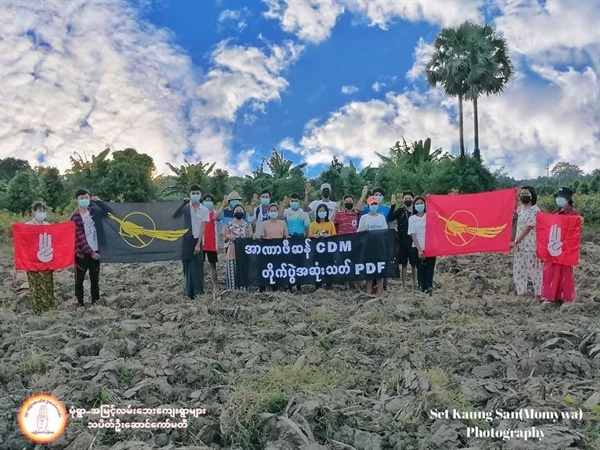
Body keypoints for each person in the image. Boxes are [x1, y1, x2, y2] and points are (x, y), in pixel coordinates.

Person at [70, 189, 111, 307]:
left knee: (95, 280)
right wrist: (91, 252)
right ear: (77, 200)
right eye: (81, 198)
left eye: (86, 197)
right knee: (79, 280)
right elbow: (80, 238)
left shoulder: (94, 212)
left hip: (96, 249)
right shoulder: (75, 217)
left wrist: (99, 202)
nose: (84, 200)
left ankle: (95, 302)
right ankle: (80, 303)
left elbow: (109, 212)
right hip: (81, 254)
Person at [541, 187, 580, 304]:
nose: (558, 199)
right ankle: (551, 297)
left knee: (565, 273)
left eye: (561, 196)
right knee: (550, 272)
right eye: (557, 196)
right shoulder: (554, 213)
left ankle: (567, 298)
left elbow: (575, 233)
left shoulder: (573, 214)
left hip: (565, 249)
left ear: (568, 198)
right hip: (553, 247)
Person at [172, 184, 209, 299]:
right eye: (193, 193)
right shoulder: (186, 208)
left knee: (197, 267)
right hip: (186, 240)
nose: (195, 195)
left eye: (197, 193)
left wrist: (198, 244)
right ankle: (188, 291)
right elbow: (175, 216)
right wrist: (183, 203)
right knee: (187, 266)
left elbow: (203, 228)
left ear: (201, 195)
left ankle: (198, 292)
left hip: (197, 240)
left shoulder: (204, 210)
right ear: (190, 195)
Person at [509, 186, 542, 299]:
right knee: (518, 270)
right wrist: (513, 194)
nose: (523, 196)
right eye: (521, 194)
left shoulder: (535, 211)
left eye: (525, 193)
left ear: (532, 195)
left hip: (531, 246)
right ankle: (521, 294)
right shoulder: (521, 209)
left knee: (535, 271)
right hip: (520, 247)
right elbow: (513, 209)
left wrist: (516, 241)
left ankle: (539, 295)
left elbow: (528, 228)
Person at [24, 203, 55, 313]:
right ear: (33, 212)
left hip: (46, 259)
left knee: (47, 283)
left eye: (43, 210)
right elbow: (24, 243)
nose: (41, 212)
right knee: (36, 284)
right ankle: (38, 310)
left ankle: (49, 308)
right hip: (33, 261)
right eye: (39, 210)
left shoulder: (47, 224)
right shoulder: (28, 225)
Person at [357, 196, 388, 295]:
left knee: (380, 271)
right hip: (368, 247)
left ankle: (380, 291)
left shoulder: (381, 217)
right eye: (372, 204)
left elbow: (385, 232)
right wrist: (364, 232)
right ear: (368, 205)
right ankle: (368, 292)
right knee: (369, 271)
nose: (374, 206)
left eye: (375, 204)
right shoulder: (364, 218)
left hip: (379, 247)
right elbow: (359, 232)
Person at [281, 193, 310, 292]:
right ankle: (289, 285)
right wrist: (283, 205)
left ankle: (299, 284)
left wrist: (306, 239)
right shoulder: (286, 211)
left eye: (296, 200)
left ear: (299, 201)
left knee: (300, 263)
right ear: (290, 201)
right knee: (289, 263)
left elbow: (307, 227)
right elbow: (279, 217)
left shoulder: (303, 213)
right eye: (292, 200)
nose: (294, 202)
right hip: (289, 239)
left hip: (300, 239)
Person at [389, 191, 417, 288]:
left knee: (414, 264)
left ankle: (415, 284)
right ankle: (404, 285)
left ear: (413, 199)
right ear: (403, 200)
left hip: (414, 241)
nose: (408, 200)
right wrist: (393, 206)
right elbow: (390, 218)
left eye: (410, 199)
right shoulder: (400, 211)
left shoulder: (417, 211)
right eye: (406, 199)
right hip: (402, 240)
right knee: (403, 264)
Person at [408, 196, 435, 295]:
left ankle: (429, 290)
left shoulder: (429, 216)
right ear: (414, 206)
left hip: (430, 248)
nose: (419, 205)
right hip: (417, 248)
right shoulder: (412, 219)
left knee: (429, 270)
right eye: (417, 204)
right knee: (421, 270)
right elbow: (413, 234)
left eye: (421, 203)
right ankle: (421, 290)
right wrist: (419, 249)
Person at [223, 205, 253, 290]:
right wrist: (229, 237)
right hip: (232, 250)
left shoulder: (248, 225)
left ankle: (243, 290)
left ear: (243, 212)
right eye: (237, 210)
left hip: (244, 251)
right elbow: (224, 240)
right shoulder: (228, 225)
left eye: (240, 210)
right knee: (232, 271)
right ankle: (232, 290)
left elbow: (250, 239)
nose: (238, 211)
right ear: (233, 212)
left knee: (243, 270)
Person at [201, 193, 226, 292]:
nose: (208, 202)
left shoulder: (216, 213)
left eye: (209, 200)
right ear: (202, 202)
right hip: (201, 244)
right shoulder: (200, 214)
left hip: (212, 244)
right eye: (206, 200)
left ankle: (215, 285)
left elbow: (215, 217)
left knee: (213, 265)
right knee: (200, 266)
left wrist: (223, 205)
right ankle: (200, 285)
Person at [309, 204, 336, 289]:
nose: (322, 212)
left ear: (327, 212)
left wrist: (329, 236)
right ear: (317, 212)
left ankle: (329, 285)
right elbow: (309, 237)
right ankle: (318, 286)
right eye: (320, 211)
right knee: (317, 269)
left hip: (328, 251)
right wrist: (314, 236)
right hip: (317, 252)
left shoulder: (330, 224)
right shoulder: (313, 224)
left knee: (329, 268)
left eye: (323, 211)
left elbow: (335, 236)